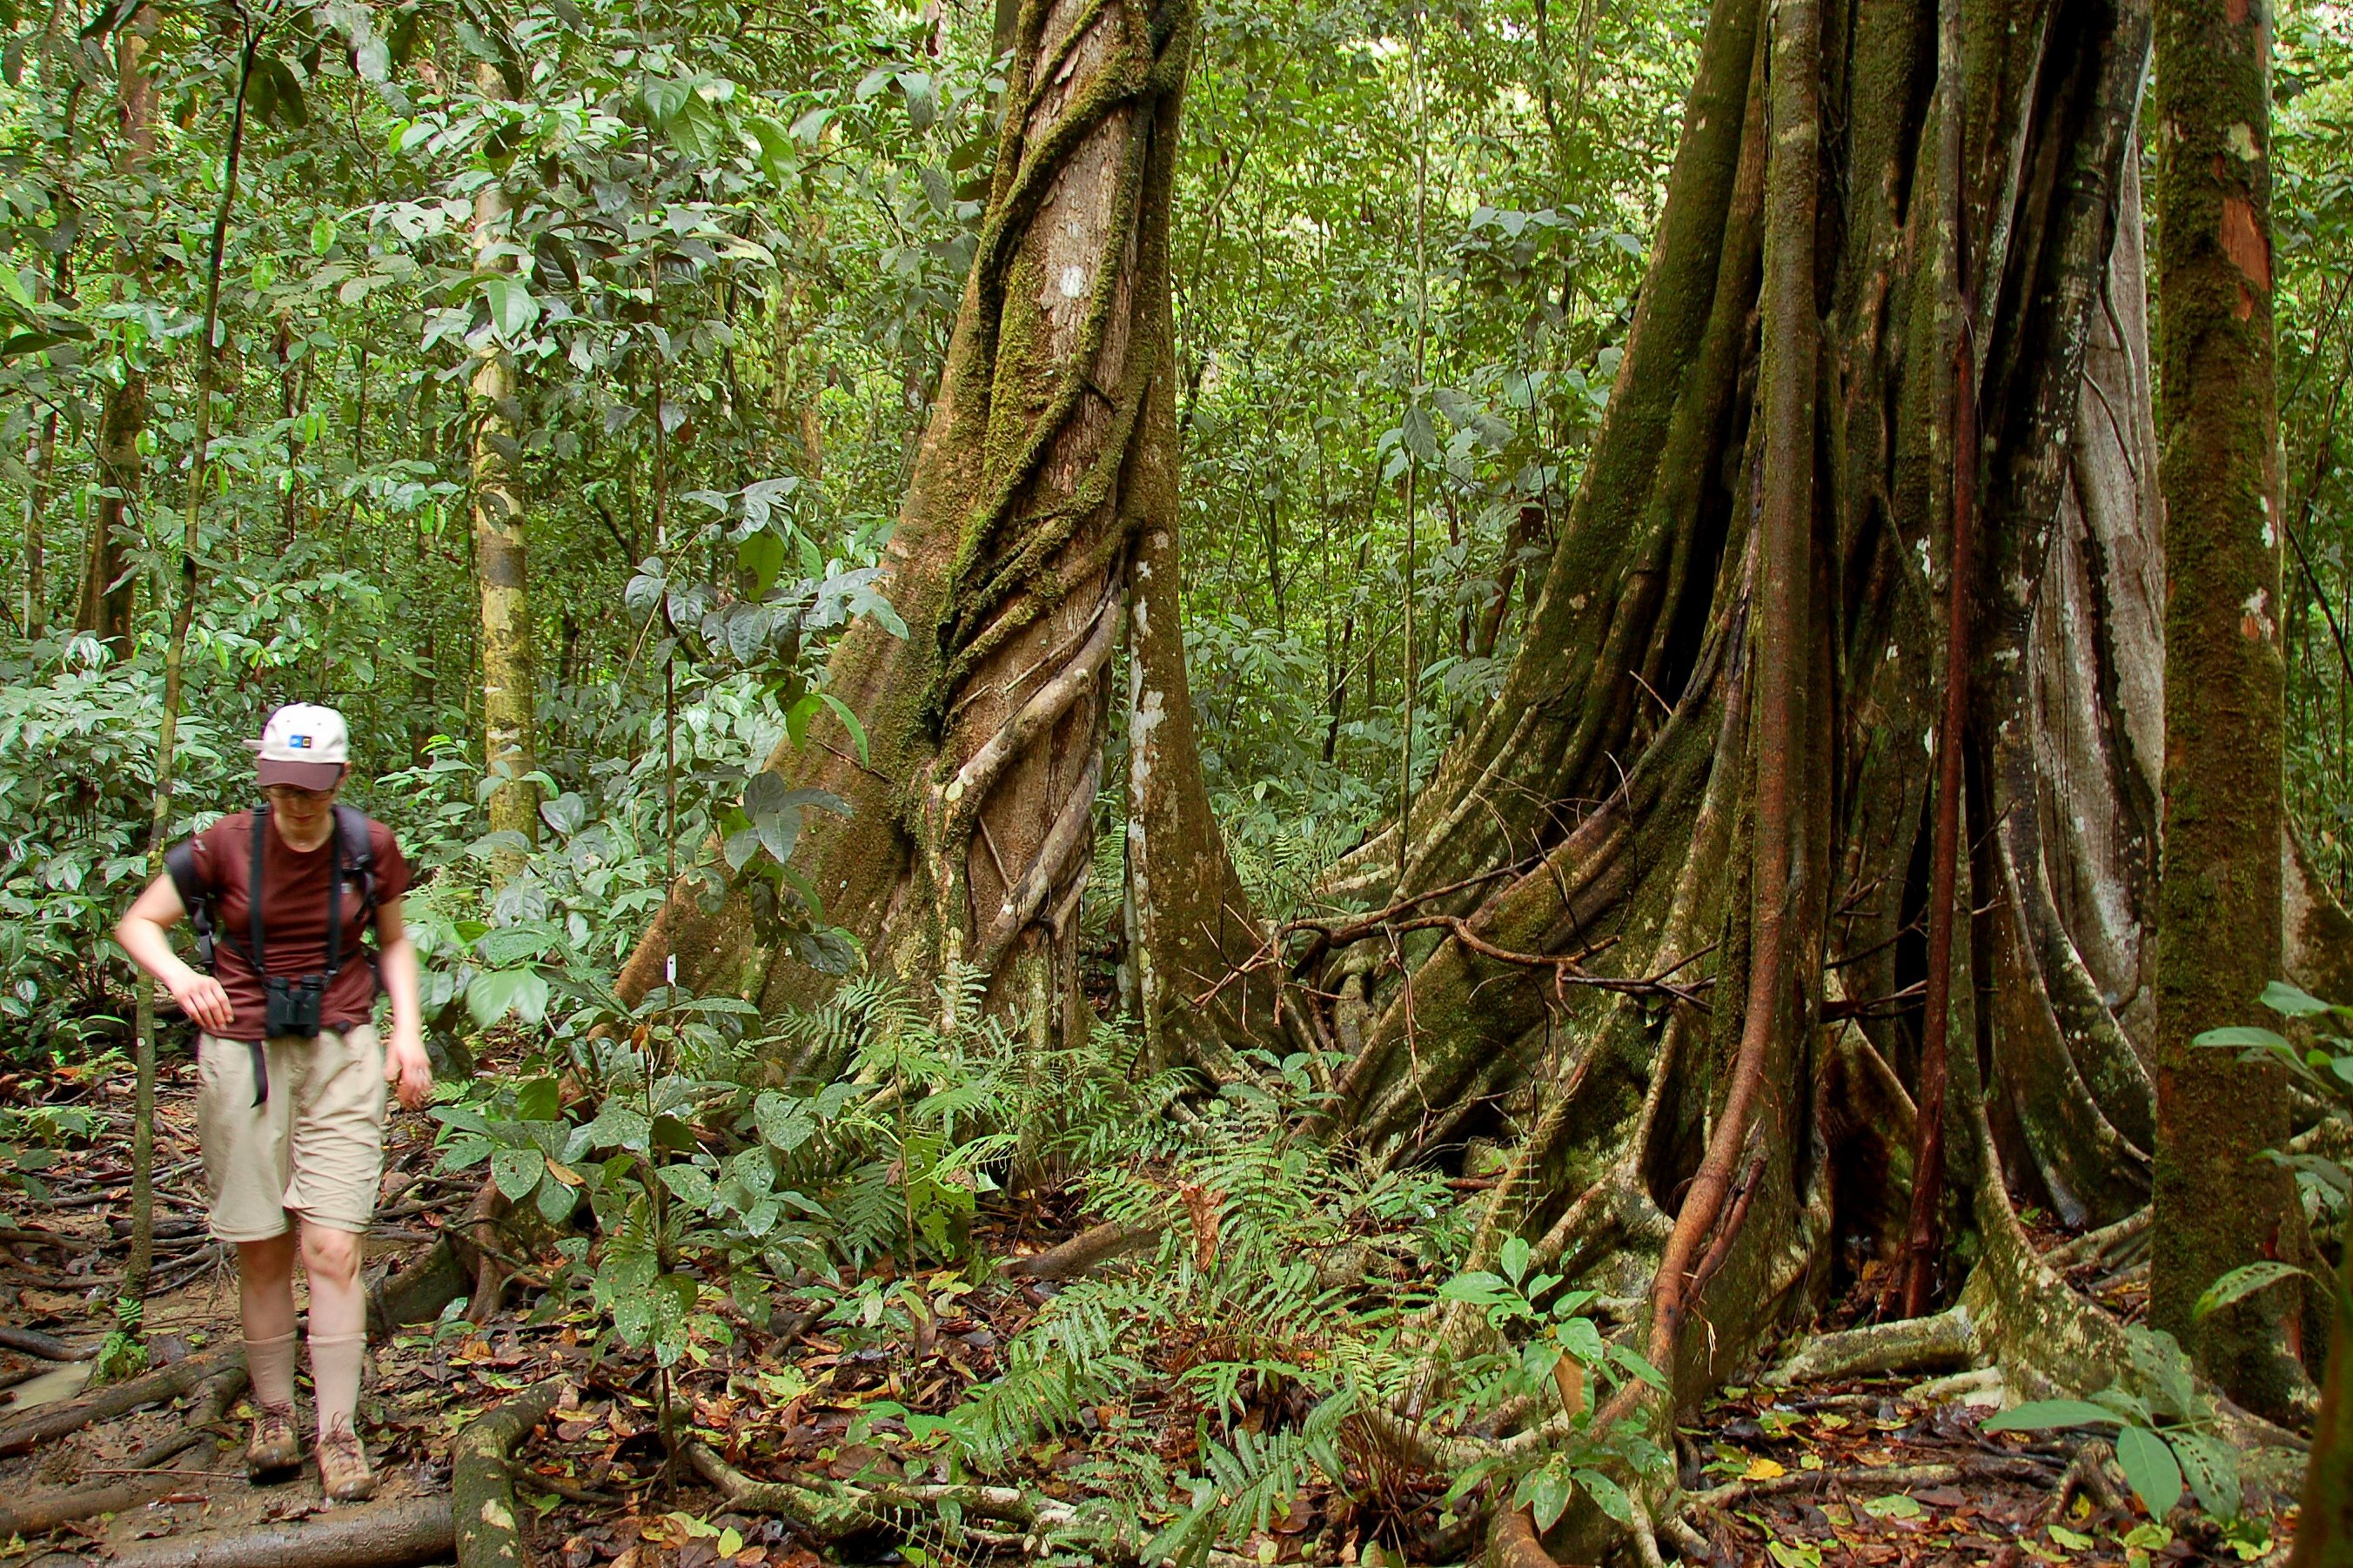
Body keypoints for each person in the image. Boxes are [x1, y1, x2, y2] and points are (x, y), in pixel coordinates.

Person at [116, 703, 431, 1502]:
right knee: (263, 1245)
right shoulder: (223, 845)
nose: (296, 804)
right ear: (266, 780)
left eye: (312, 790)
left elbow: (393, 940)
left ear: (340, 783)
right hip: (243, 1056)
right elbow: (139, 926)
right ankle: (272, 1414)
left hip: (341, 1053)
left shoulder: (368, 847)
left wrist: (408, 1035)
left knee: (333, 1247)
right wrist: (184, 979)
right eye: (283, 788)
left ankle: (339, 1430)